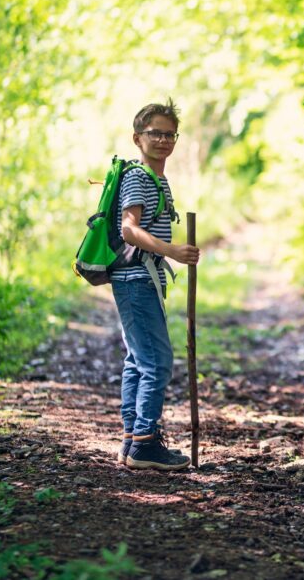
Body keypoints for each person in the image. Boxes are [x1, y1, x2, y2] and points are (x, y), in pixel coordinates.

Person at [113, 100, 200, 471]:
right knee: (157, 362)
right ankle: (145, 445)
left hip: (140, 277)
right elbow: (129, 229)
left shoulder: (156, 178)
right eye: (155, 133)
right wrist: (172, 251)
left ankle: (133, 439)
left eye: (169, 134)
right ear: (138, 138)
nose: (163, 140)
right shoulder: (137, 177)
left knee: (138, 361)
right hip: (135, 276)